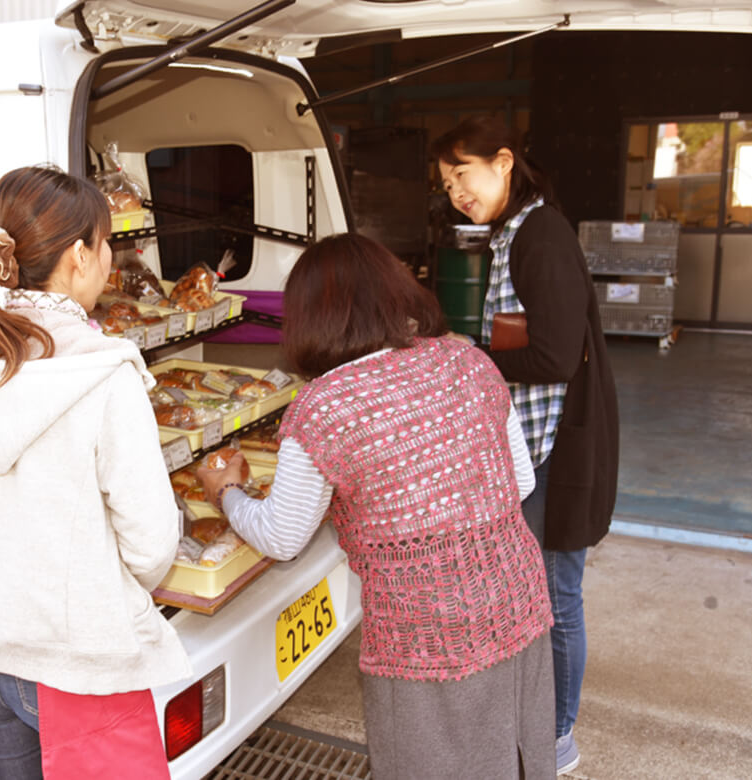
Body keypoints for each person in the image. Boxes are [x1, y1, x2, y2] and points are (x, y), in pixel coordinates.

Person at [199, 233, 555, 778]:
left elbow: (282, 537)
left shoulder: (325, 407)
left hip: (425, 632)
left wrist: (225, 492)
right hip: (517, 598)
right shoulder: (468, 359)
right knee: (515, 759)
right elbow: (521, 480)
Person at [0, 165, 191, 778]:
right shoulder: (103, 371)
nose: (111, 259)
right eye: (106, 243)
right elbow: (150, 543)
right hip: (74, 665)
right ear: (77, 255)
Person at [431, 114, 620, 776]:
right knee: (532, 596)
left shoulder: (540, 235)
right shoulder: (513, 232)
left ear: (503, 162)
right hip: (534, 448)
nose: (457, 191)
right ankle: (536, 719)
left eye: (464, 174)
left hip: (561, 451)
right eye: (447, 181)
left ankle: (559, 735)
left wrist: (469, 353)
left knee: (557, 598)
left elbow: (556, 354)